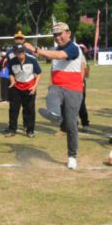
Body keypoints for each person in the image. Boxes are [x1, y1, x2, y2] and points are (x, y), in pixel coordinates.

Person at [28, 23, 83, 170]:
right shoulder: (55, 50)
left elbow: (60, 56)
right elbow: (55, 66)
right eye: (55, 35)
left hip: (73, 90)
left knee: (71, 125)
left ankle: (72, 156)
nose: (57, 37)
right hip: (58, 86)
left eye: (60, 34)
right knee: (51, 94)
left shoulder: (73, 48)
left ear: (68, 33)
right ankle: (55, 115)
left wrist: (36, 50)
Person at [4, 44, 41, 138]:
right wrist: (12, 81)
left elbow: (39, 73)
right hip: (16, 88)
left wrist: (35, 87)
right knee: (13, 109)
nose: (21, 53)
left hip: (29, 87)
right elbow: (11, 73)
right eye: (18, 52)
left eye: (22, 51)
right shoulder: (12, 61)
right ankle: (12, 129)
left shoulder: (32, 60)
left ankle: (30, 130)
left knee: (29, 110)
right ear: (15, 53)